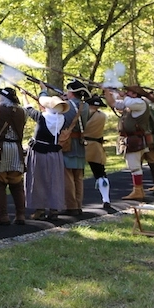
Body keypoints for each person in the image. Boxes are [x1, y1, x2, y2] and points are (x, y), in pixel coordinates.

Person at [24, 94, 69, 219]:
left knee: (38, 180)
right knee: (54, 181)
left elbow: (28, 109)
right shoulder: (62, 119)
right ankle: (54, 209)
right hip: (54, 154)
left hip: (40, 153)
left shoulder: (41, 117)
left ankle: (40, 209)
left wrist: (24, 95)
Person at [103, 86, 152, 201]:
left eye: (129, 91)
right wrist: (106, 91)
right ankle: (138, 190)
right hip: (131, 138)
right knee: (134, 166)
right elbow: (113, 103)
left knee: (134, 167)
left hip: (135, 138)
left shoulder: (139, 103)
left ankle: (138, 191)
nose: (126, 92)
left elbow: (127, 102)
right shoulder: (131, 103)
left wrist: (123, 95)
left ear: (135, 94)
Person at [0, 87, 27, 225]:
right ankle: (20, 215)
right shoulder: (22, 112)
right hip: (16, 149)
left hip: (1, 149)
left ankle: (3, 216)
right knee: (16, 184)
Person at [61, 80, 90, 216]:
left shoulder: (67, 106)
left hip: (68, 143)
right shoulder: (85, 106)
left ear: (71, 92)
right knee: (78, 177)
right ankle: (78, 204)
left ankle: (71, 206)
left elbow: (61, 122)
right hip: (79, 142)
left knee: (68, 176)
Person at [82, 95, 111, 208]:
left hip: (82, 145)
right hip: (96, 146)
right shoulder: (102, 116)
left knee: (76, 175)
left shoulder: (83, 114)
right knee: (101, 174)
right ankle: (106, 199)